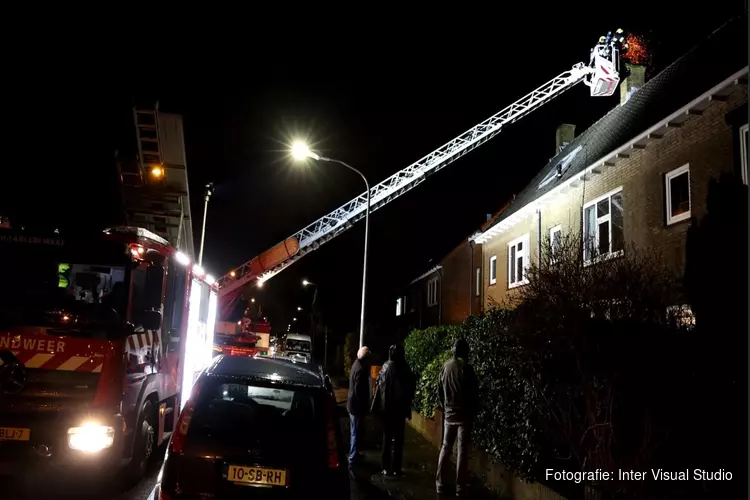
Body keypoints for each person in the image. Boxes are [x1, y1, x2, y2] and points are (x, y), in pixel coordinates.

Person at [436, 338, 478, 496]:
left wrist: (444, 405)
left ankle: (439, 483)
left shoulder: (445, 367)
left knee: (446, 447)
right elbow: (474, 393)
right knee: (462, 451)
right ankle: (460, 487)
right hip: (464, 415)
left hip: (449, 414)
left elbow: (439, 390)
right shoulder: (467, 368)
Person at [371, 344, 414, 476]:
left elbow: (379, 385)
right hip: (399, 411)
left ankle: (385, 467)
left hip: (387, 410)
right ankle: (396, 467)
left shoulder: (385, 367)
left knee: (387, 438)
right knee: (399, 440)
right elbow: (411, 388)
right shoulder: (405, 369)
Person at [346, 345, 371, 465]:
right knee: (355, 432)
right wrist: (364, 405)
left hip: (352, 404)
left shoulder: (355, 365)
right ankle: (352, 456)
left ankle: (354, 453)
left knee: (354, 430)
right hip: (356, 406)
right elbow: (359, 391)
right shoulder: (361, 369)